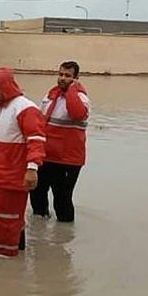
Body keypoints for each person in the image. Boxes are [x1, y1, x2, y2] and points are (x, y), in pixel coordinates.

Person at [0, 68, 46, 258]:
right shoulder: (2, 108)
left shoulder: (25, 108)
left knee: (7, 221)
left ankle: (4, 263)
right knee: (11, 219)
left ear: (8, 86)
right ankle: (15, 253)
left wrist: (32, 169)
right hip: (3, 176)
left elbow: (36, 140)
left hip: (13, 177)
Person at [30, 60, 90, 222]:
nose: (62, 78)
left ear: (76, 78)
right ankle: (39, 230)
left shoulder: (81, 98)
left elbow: (77, 113)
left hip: (68, 160)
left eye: (67, 76)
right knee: (36, 192)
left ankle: (64, 236)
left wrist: (71, 90)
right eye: (60, 74)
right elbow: (39, 123)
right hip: (46, 156)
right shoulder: (50, 96)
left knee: (62, 199)